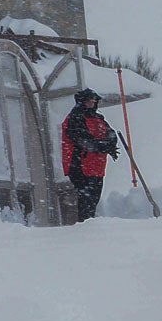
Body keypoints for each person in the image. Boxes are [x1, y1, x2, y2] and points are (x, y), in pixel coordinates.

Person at [62, 87, 120, 222]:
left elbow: (111, 134)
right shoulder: (75, 118)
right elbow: (83, 140)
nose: (92, 103)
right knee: (86, 200)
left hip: (96, 167)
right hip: (79, 166)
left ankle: (89, 223)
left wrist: (109, 145)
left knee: (93, 199)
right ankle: (85, 226)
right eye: (89, 101)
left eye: (94, 101)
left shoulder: (98, 118)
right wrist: (103, 146)